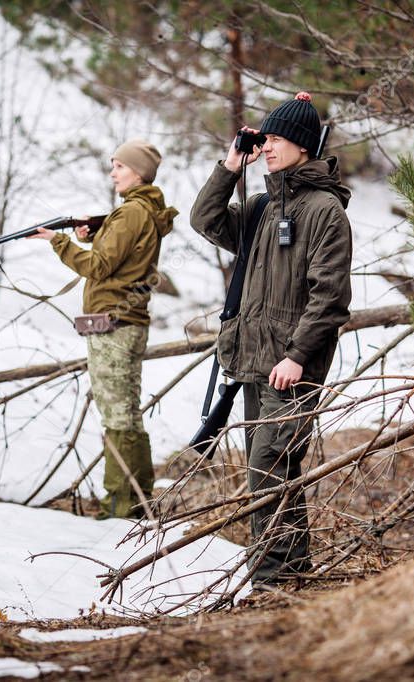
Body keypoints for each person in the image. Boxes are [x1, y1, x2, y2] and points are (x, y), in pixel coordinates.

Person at [189, 92, 352, 589]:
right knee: (274, 472)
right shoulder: (261, 207)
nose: (270, 146)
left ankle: (273, 580)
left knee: (268, 466)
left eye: (278, 138)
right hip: (256, 364)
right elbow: (206, 220)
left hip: (292, 368)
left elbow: (330, 297)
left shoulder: (325, 211)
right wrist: (231, 165)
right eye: (266, 139)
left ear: (304, 146)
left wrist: (298, 356)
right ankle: (292, 570)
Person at [30, 139, 178, 518]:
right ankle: (136, 498)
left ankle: (121, 506)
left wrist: (59, 242)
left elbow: (99, 268)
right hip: (123, 323)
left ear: (139, 172)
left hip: (114, 326)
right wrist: (94, 234)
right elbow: (121, 255)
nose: (113, 173)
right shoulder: (141, 211)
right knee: (125, 412)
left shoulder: (130, 213)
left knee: (117, 415)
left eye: (119, 167)